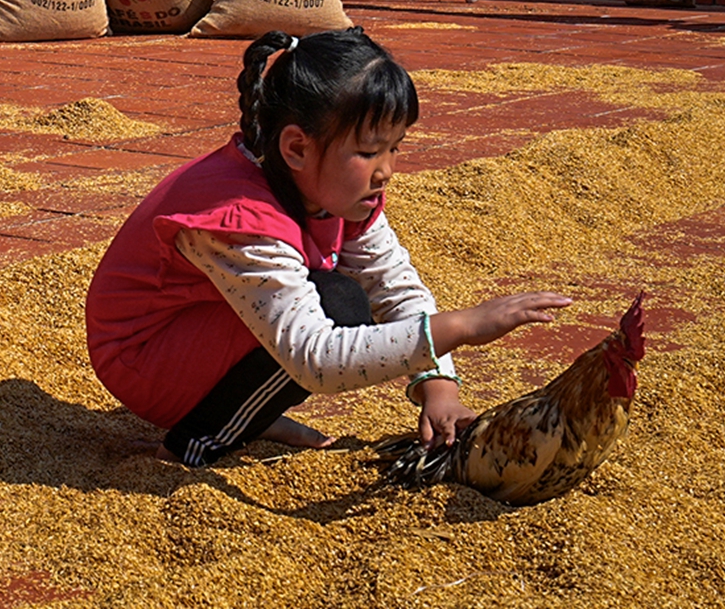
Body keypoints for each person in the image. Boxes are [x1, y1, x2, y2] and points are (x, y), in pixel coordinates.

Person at [84, 28, 571, 467]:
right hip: (144, 360)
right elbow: (315, 360)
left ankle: (248, 412)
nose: (385, 171)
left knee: (341, 295)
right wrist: (462, 327)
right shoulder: (240, 221)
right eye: (367, 151)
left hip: (198, 328)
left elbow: (393, 284)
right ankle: (197, 439)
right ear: (296, 148)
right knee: (339, 304)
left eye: (394, 148)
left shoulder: (331, 188)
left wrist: (438, 387)